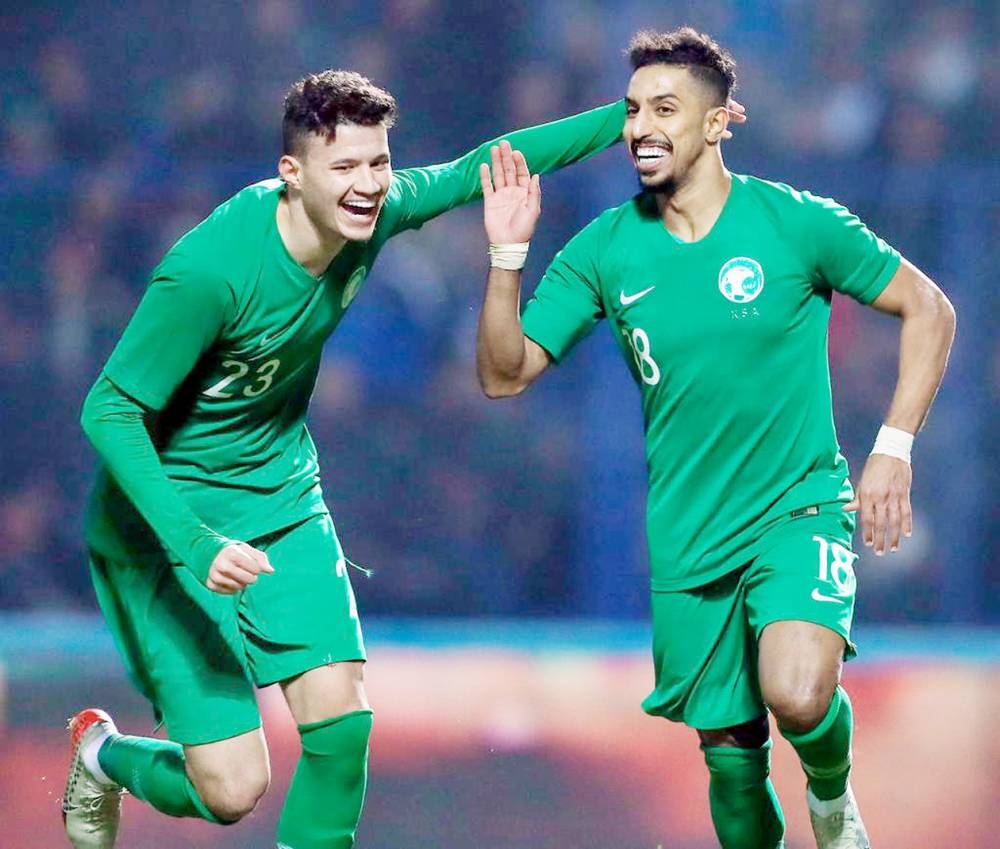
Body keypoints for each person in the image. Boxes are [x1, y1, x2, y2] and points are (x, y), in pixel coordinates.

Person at [60, 68, 707, 849]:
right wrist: (194, 544)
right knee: (232, 789)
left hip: (277, 498)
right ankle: (101, 755)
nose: (369, 186)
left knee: (342, 727)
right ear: (291, 176)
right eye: (345, 168)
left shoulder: (380, 210)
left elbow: (489, 162)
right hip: (165, 527)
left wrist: (636, 118)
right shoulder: (209, 272)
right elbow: (109, 408)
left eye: (379, 163)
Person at [475, 28, 955, 849]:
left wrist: (893, 447)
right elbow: (505, 371)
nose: (640, 128)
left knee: (799, 692)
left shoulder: (793, 223)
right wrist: (507, 254)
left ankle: (834, 801)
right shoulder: (606, 246)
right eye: (631, 111)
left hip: (796, 508)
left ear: (719, 121)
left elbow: (930, 309)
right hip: (690, 536)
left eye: (665, 108)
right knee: (732, 761)